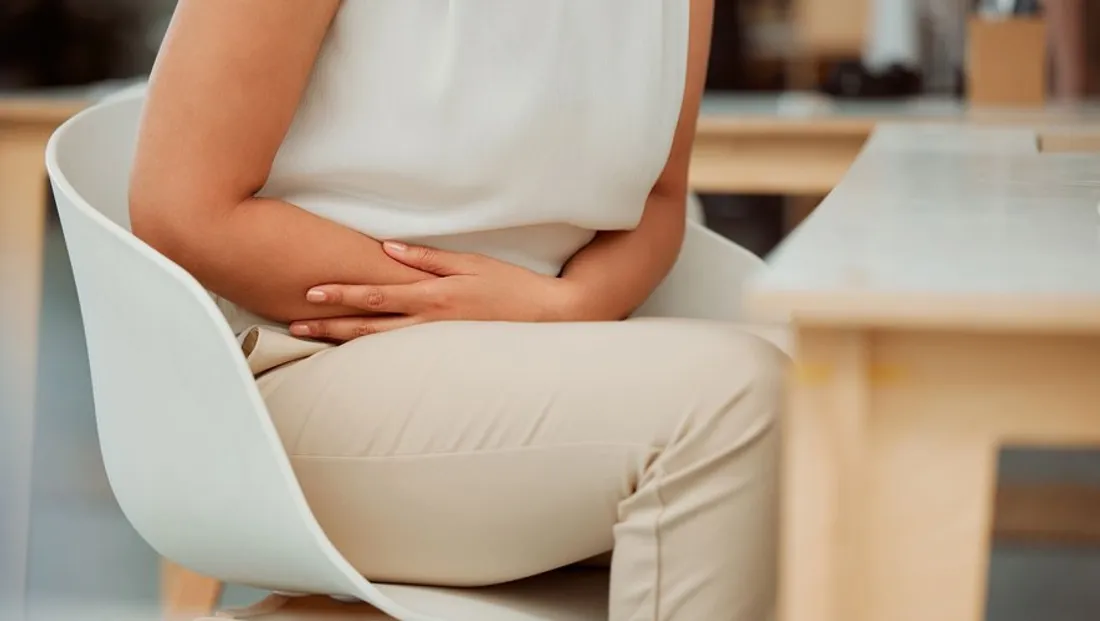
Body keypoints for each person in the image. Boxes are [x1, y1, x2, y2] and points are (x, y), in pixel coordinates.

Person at [129, 2, 784, 620]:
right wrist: (473, 306)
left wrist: (563, 305)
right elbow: (183, 208)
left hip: (565, 351)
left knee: (834, 413)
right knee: (737, 404)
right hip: (297, 370)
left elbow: (661, 198)